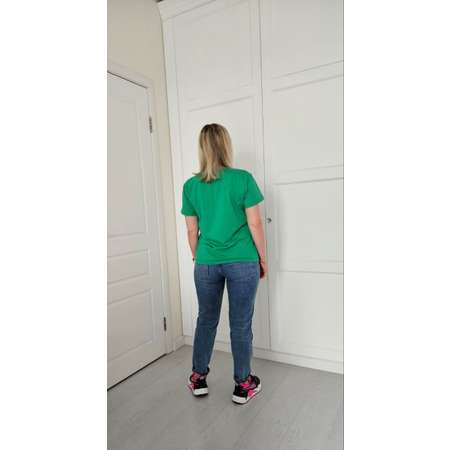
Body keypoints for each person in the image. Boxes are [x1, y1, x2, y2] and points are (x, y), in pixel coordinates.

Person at [181, 123, 267, 405]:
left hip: (206, 261)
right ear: (225, 145)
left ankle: (198, 378)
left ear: (202, 148)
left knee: (206, 319)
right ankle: (243, 385)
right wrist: (262, 258)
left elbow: (191, 230)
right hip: (242, 260)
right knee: (240, 323)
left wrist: (199, 256)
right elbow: (255, 224)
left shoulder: (191, 186)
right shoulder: (243, 179)